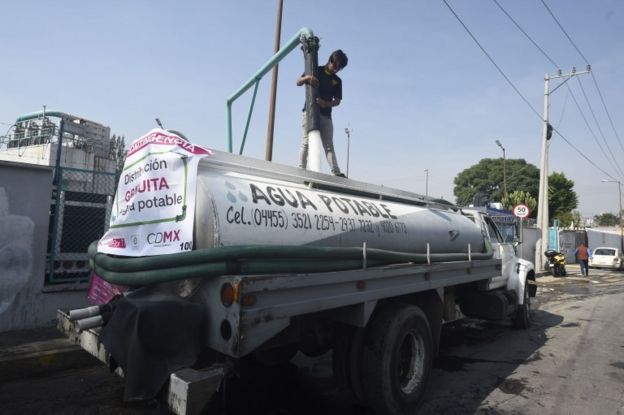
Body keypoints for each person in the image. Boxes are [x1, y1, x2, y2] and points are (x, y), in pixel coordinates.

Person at [297, 49, 348, 177]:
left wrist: (326, 104)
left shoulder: (337, 81)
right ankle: (301, 169)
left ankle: (336, 172)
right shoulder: (316, 70)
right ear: (330, 60)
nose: (336, 70)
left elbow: (337, 101)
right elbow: (298, 82)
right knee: (306, 142)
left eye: (339, 68)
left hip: (326, 115)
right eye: (335, 66)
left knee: (329, 145)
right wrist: (307, 78)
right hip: (309, 112)